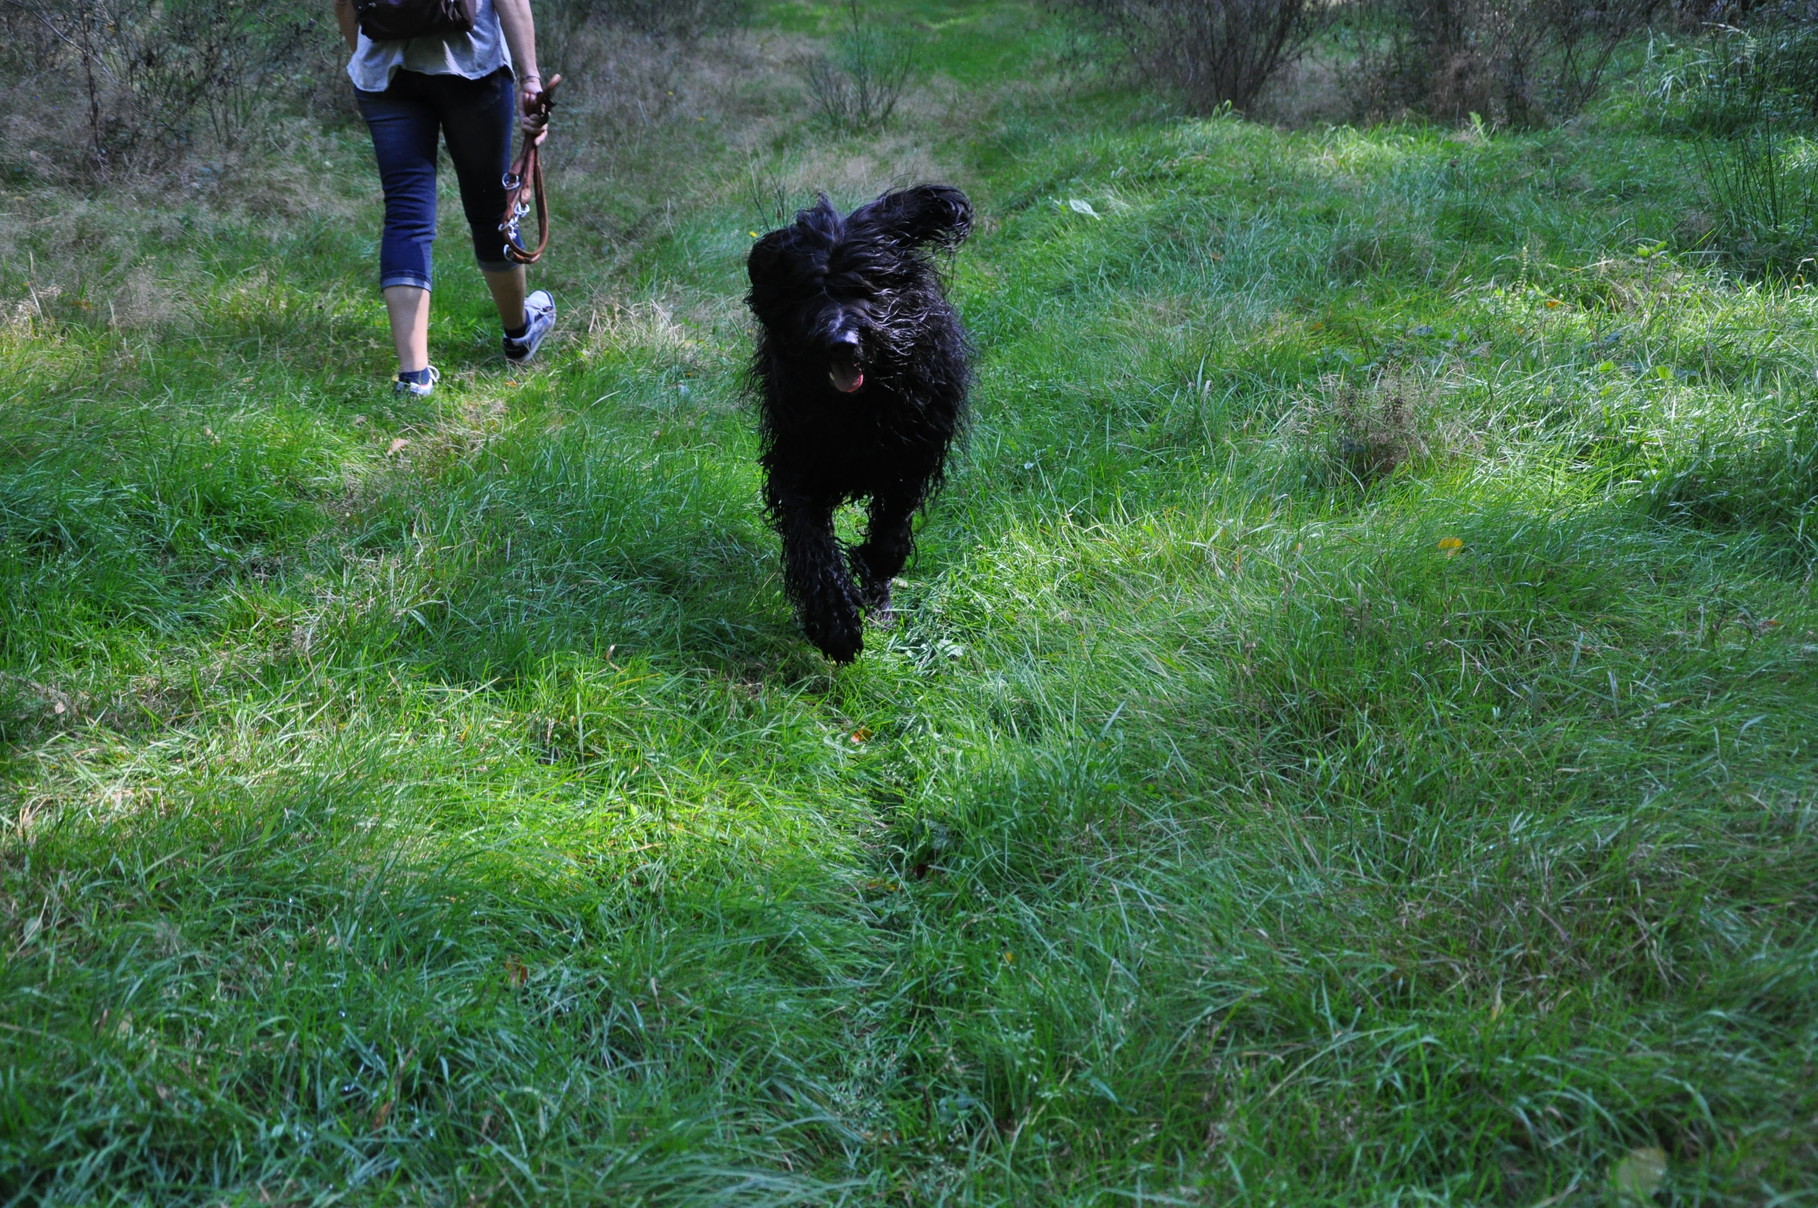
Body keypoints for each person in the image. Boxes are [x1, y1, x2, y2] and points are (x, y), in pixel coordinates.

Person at [333, 0, 557, 396]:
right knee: (490, 207)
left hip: (385, 72)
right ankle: (518, 334)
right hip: (472, 62)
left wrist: (364, 59)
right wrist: (530, 79)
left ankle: (414, 376)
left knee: (406, 214)